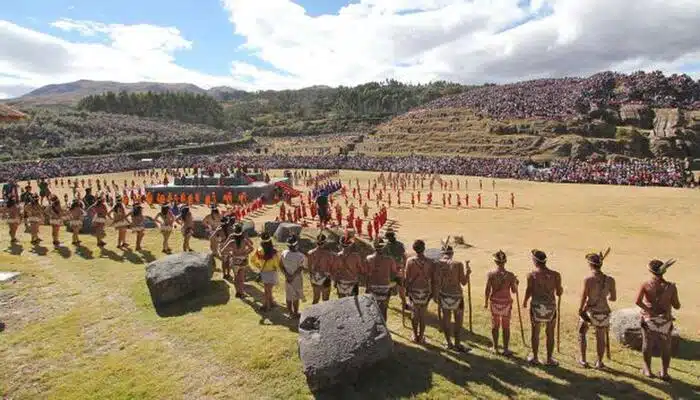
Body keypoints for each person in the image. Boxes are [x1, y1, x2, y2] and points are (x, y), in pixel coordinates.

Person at [635, 259, 681, 381]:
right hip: (665, 321)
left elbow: (637, 301)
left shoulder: (645, 284)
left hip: (649, 320)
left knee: (647, 344)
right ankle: (664, 373)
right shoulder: (671, 286)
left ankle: (648, 370)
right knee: (666, 346)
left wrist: (649, 310)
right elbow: (677, 305)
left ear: (651, 271)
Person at [577, 250, 616, 369]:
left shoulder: (588, 280)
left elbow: (584, 297)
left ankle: (583, 360)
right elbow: (613, 298)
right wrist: (604, 294)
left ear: (590, 265)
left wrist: (580, 309)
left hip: (590, 312)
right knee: (601, 337)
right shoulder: (610, 280)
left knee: (581, 332)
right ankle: (599, 362)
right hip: (604, 311)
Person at [523, 249, 562, 366]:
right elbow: (559, 292)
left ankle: (535, 357)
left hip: (536, 307)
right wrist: (561, 290)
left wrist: (524, 301)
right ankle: (549, 359)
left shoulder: (532, 275)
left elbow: (529, 290)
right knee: (550, 333)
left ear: (535, 261)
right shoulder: (556, 275)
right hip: (550, 307)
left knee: (535, 332)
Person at [435, 244, 471, 352]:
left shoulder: (438, 264)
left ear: (442, 254)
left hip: (444, 295)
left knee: (446, 319)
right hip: (457, 296)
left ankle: (448, 343)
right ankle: (457, 343)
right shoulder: (458, 264)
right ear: (452, 253)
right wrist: (468, 273)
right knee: (458, 320)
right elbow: (464, 282)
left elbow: (436, 281)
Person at [484, 250, 518, 356]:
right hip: (506, 303)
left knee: (495, 325)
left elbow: (487, 290)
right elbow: (514, 291)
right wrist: (516, 283)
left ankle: (495, 347)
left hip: (494, 302)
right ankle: (506, 349)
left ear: (495, 261)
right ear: (505, 261)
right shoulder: (511, 275)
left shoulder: (491, 274)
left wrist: (485, 302)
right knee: (506, 326)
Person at [404, 239, 433, 344]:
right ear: (424, 248)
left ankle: (415, 335)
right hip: (425, 291)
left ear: (414, 249)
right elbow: (432, 278)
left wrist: (406, 292)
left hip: (414, 291)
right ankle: (421, 337)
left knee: (414, 314)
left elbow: (407, 278)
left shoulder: (410, 261)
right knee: (423, 315)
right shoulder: (430, 262)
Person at [365, 238, 398, 321]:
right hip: (385, 287)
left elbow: (366, 274)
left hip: (372, 287)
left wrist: (367, 287)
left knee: (373, 310)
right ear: (383, 247)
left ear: (374, 247)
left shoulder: (369, 259)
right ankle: (383, 330)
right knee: (384, 310)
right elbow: (394, 273)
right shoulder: (389, 259)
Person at [219, 222, 254, 298]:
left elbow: (222, 250)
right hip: (243, 261)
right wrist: (245, 253)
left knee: (235, 277)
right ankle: (241, 293)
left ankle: (237, 292)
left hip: (234, 261)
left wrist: (231, 253)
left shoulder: (231, 242)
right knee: (241, 278)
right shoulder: (244, 240)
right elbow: (252, 248)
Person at [249, 232, 281, 311]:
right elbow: (277, 263)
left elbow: (252, 260)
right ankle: (269, 304)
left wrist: (258, 266)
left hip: (264, 272)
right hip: (273, 272)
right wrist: (275, 267)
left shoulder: (259, 250)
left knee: (267, 290)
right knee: (268, 290)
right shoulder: (274, 251)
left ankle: (267, 305)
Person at [280, 235, 307, 318]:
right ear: (296, 245)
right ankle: (295, 313)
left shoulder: (284, 253)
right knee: (296, 296)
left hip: (287, 278)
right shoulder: (301, 256)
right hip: (297, 278)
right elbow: (301, 268)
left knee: (288, 296)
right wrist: (293, 276)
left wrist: (287, 275)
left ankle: (290, 313)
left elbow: (281, 265)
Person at [383, 228, 408, 310]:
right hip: (398, 269)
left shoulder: (385, 247)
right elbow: (404, 257)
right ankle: (404, 303)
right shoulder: (400, 244)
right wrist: (403, 266)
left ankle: (387, 304)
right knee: (401, 288)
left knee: (390, 288)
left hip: (391, 271)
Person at [307, 233, 335, 304]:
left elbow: (309, 268)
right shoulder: (329, 254)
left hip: (315, 276)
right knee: (325, 300)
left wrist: (312, 277)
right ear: (325, 242)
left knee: (316, 298)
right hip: (325, 277)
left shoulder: (310, 253)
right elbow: (332, 267)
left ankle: (312, 314)